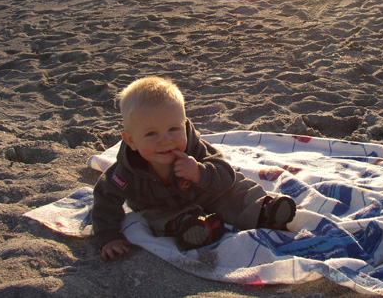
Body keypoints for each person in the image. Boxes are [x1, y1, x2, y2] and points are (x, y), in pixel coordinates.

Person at [92, 76, 296, 260]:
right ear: (131, 140)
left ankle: (265, 210)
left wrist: (199, 172)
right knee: (156, 217)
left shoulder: (195, 148)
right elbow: (105, 199)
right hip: (162, 207)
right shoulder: (126, 171)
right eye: (151, 134)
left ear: (185, 124)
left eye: (174, 129)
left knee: (236, 190)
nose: (166, 141)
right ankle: (196, 227)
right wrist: (108, 237)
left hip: (206, 193)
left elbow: (226, 174)